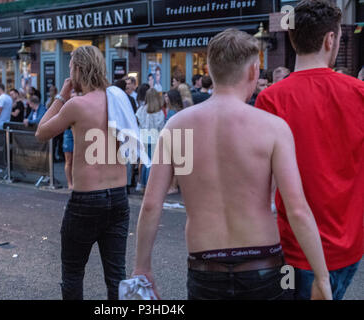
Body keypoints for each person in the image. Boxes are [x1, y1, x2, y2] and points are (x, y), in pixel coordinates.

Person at [133, 28, 332, 300]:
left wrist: (142, 267)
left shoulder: (176, 126)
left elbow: (152, 204)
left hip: (205, 265)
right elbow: (297, 210)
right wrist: (321, 277)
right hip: (262, 265)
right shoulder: (273, 128)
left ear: (211, 71)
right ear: (253, 72)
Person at [255, 0, 364, 300]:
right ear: (331, 40)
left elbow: (262, 183)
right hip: (349, 244)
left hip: (295, 246)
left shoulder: (270, 99)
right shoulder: (359, 94)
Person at [36, 45, 130, 300]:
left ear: (78, 70)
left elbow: (41, 132)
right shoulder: (119, 99)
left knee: (73, 273)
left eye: (70, 69)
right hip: (119, 195)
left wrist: (60, 97)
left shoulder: (76, 105)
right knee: (117, 275)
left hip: (87, 199)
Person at [136, 88, 165, 190]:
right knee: (152, 162)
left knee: (144, 162)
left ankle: (142, 183)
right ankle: (149, 184)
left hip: (143, 136)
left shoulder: (141, 109)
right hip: (154, 137)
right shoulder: (159, 112)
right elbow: (161, 127)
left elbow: (137, 122)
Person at [164, 89, 184, 195]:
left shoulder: (173, 111)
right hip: (176, 137)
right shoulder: (177, 110)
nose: (165, 98)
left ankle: (174, 186)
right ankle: (173, 185)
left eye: (167, 97)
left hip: (174, 138)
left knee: (174, 164)